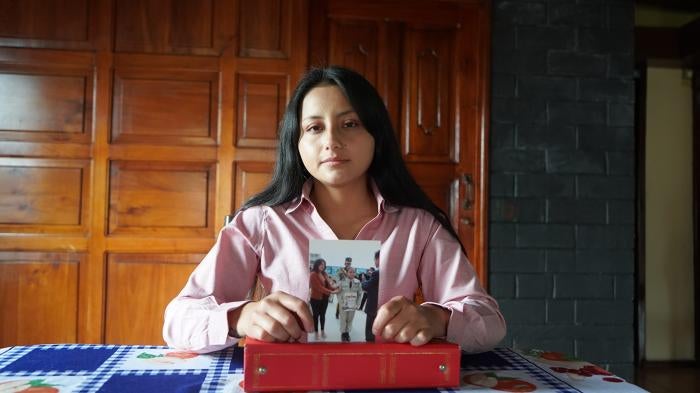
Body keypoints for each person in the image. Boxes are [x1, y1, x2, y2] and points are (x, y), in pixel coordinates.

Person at [163, 66, 506, 353]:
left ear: (377, 136)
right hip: (289, 384)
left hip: (388, 384)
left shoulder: (420, 227)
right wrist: (241, 317)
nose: (332, 141)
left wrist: (436, 319)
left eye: (350, 124)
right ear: (296, 143)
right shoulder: (260, 223)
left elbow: (489, 322)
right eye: (314, 128)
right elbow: (178, 321)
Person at [309, 258, 338, 339]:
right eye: (321, 264)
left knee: (322, 315)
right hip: (315, 299)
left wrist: (336, 288)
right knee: (315, 316)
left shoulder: (324, 273)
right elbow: (319, 287)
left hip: (325, 298)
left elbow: (329, 284)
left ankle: (322, 331)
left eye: (324, 264)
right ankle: (316, 332)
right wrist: (331, 292)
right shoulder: (313, 274)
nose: (322, 266)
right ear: (317, 265)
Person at [338, 267, 363, 341]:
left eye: (353, 272)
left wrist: (358, 304)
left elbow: (359, 294)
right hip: (344, 304)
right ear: (347, 273)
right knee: (343, 319)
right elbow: (338, 293)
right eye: (350, 272)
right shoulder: (342, 281)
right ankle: (343, 333)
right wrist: (341, 303)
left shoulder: (357, 282)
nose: (352, 273)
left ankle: (347, 333)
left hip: (352, 304)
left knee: (350, 319)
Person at [362, 251, 380, 342]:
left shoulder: (377, 273)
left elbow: (367, 286)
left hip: (373, 305)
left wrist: (363, 281)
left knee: (370, 329)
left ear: (378, 259)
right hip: (382, 305)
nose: (375, 262)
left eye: (375, 260)